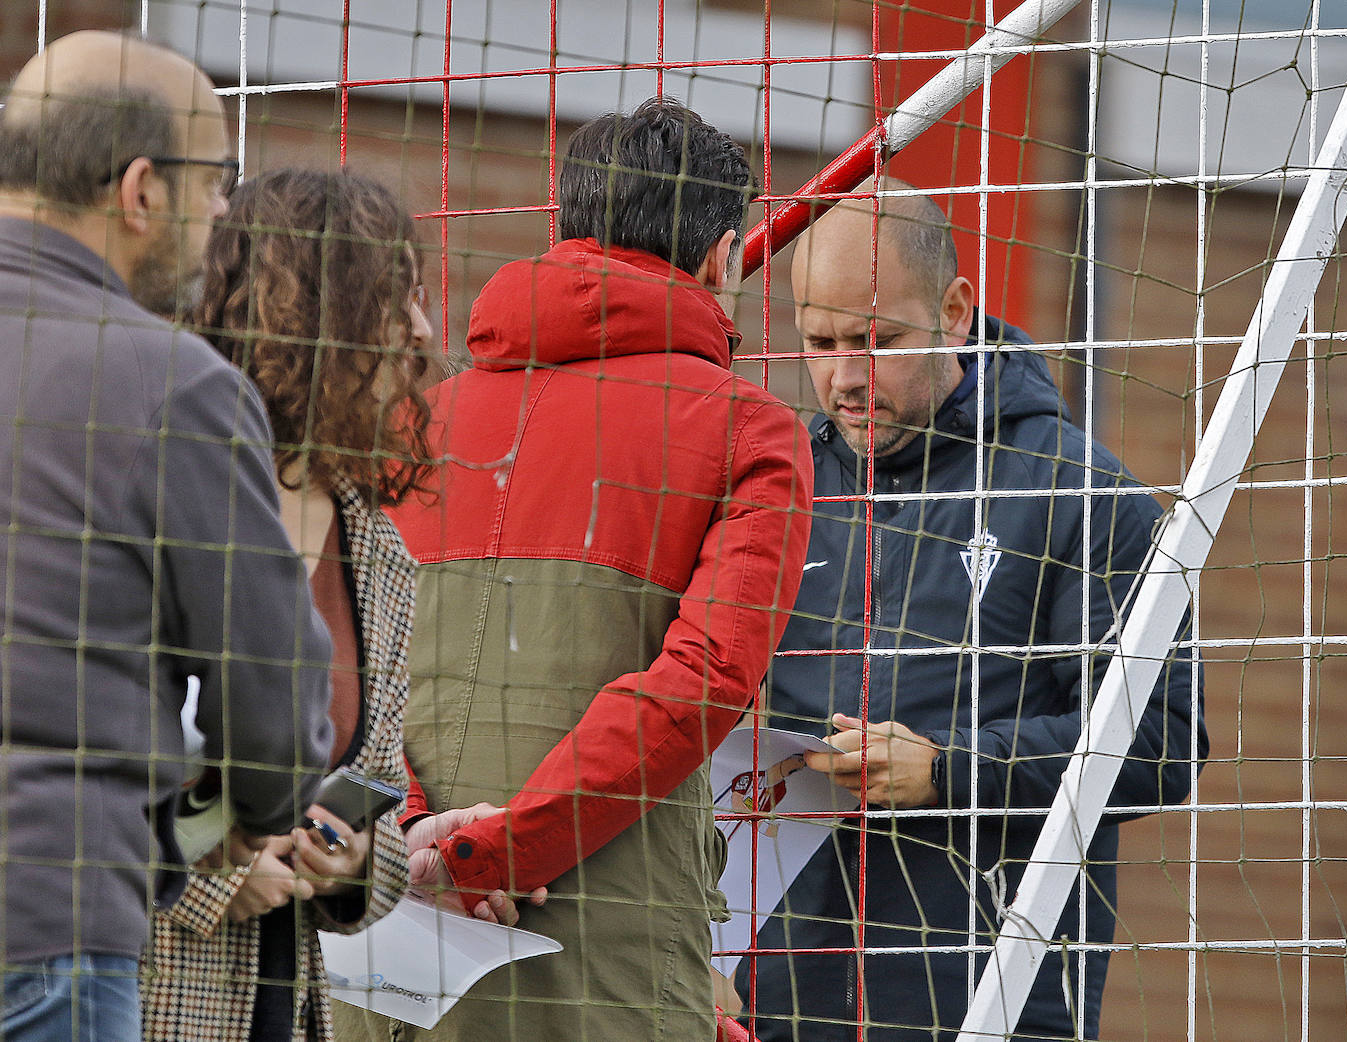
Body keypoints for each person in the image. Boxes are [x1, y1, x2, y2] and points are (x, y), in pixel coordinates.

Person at [336, 96, 814, 1042]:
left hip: (386, 924)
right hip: (610, 958)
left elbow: (344, 662)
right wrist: (498, 854)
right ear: (723, 257)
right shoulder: (753, 432)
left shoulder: (405, 422)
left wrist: (426, 842)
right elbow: (701, 687)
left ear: (566, 226)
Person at [737, 182, 1208, 1041]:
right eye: (819, 342)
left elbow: (1166, 742)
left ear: (956, 312)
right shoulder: (778, 489)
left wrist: (952, 771)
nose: (843, 377)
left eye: (876, 341)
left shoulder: (1080, 493)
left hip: (996, 999)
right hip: (785, 1001)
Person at [0, 32, 335, 1042]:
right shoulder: (171, 384)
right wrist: (260, 799)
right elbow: (270, 691)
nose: (224, 212)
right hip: (45, 920)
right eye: (215, 179)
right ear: (140, 189)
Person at [137, 167, 516, 1041]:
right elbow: (91, 761)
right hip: (147, 989)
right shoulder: (163, 495)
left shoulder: (375, 550)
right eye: (395, 302)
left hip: (289, 999)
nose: (422, 330)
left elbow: (374, 778)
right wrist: (220, 867)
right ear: (313, 318)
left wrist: (350, 863)